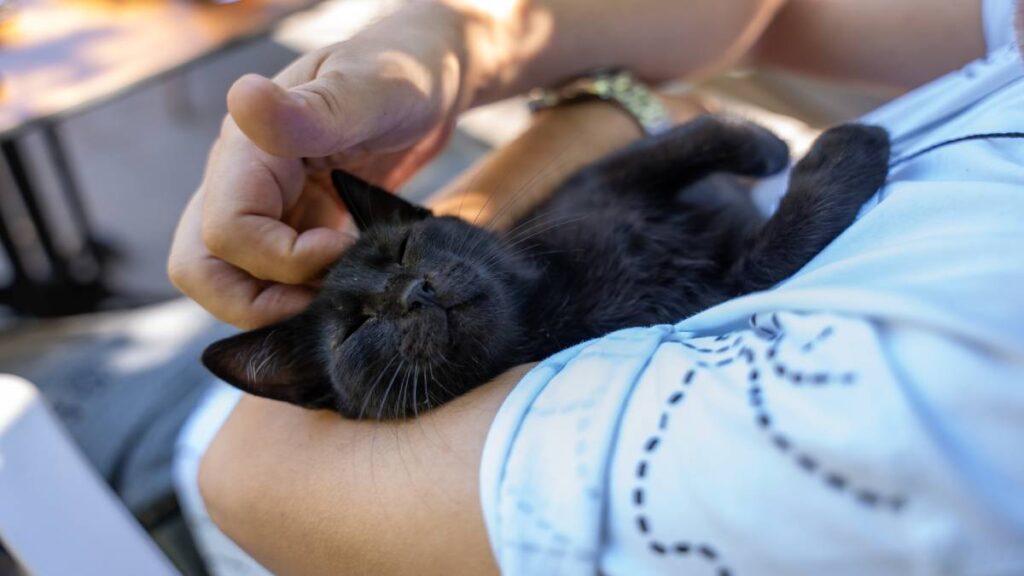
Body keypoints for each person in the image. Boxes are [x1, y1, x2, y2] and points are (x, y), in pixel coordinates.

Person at [168, 0, 1024, 573]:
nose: (415, 296)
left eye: (400, 279)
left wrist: (606, 116)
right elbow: (766, 20)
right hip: (291, 450)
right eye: (371, 322)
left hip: (270, 486)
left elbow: (246, 471)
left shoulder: (921, 402)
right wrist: (446, 42)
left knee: (109, 410)